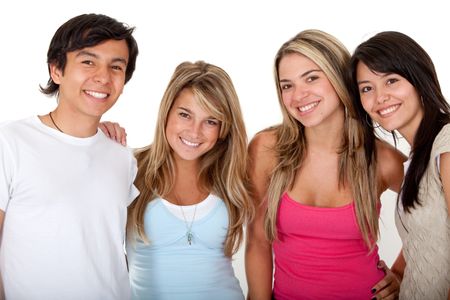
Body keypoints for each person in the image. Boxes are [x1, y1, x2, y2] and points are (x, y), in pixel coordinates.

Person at [245, 29, 405, 300]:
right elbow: (257, 241)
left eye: (311, 78)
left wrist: (401, 272)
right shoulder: (267, 149)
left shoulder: (381, 159)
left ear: (340, 77)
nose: (298, 95)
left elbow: (436, 220)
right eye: (287, 85)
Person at [0, 13, 139, 299]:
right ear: (56, 70)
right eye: (88, 61)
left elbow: (109, 250)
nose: (103, 77)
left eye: (116, 66)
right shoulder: (10, 142)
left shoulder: (122, 157)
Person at [125, 61, 253, 300]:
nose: (195, 132)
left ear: (223, 128)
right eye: (185, 115)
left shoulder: (232, 176)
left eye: (211, 121)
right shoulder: (129, 168)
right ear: (167, 112)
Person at [350, 31, 450, 300]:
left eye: (391, 81)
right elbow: (427, 234)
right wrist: (399, 275)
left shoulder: (447, 143)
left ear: (419, 78)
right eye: (367, 88)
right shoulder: (419, 156)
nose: (380, 97)